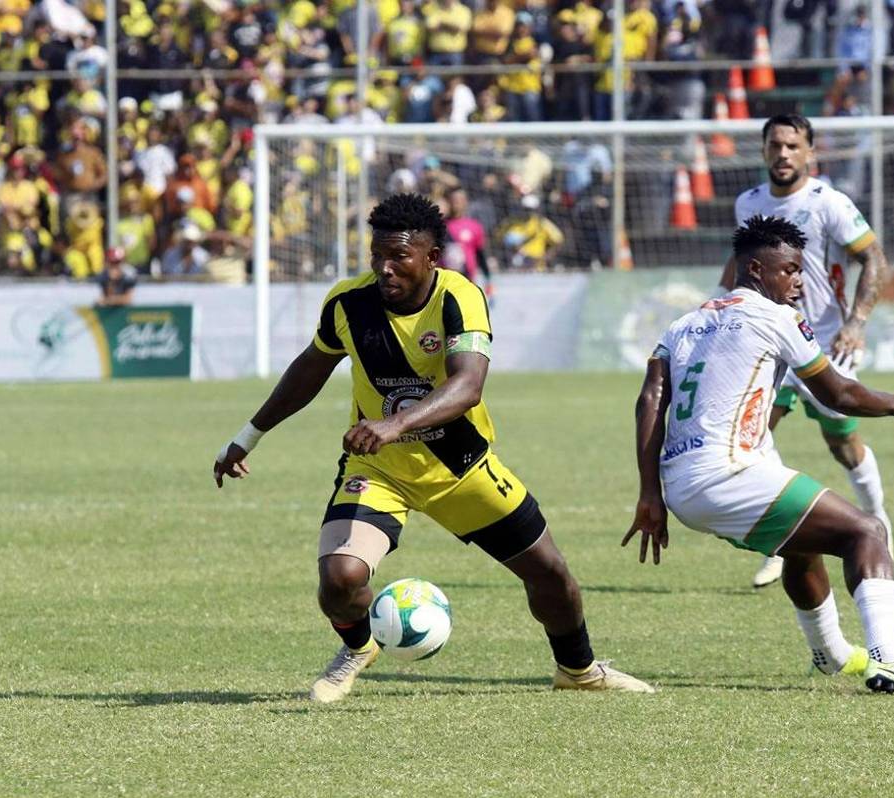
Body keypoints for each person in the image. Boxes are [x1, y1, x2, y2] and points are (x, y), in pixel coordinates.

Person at [213, 193, 651, 702]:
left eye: (398, 256)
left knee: (551, 574)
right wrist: (248, 437)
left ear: (431, 257)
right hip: (379, 471)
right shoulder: (347, 303)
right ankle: (356, 649)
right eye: (377, 256)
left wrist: (393, 424)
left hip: (462, 467)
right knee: (340, 578)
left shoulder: (459, 298)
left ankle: (578, 670)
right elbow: (309, 370)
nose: (384, 268)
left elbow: (468, 387)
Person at [624, 214, 894, 695]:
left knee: (801, 542)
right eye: (790, 269)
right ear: (756, 271)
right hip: (729, 476)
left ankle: (832, 654)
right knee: (867, 531)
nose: (800, 281)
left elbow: (650, 399)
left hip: (682, 487)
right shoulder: (777, 318)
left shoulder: (686, 323)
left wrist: (649, 493)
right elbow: (837, 393)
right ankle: (890, 659)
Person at [717, 114, 894, 590]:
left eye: (793, 146)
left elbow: (874, 258)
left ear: (810, 153)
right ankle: (782, 544)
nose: (783, 154)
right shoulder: (748, 203)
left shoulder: (829, 203)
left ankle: (877, 519)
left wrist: (856, 324)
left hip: (823, 341)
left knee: (842, 443)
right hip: (766, 337)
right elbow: (739, 264)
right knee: (753, 434)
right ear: (763, 151)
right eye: (775, 145)